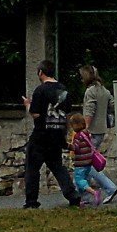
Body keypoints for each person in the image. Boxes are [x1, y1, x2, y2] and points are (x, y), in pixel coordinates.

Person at [20, 60, 80, 208]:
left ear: (41, 72)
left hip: (41, 135)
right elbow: (66, 113)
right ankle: (73, 195)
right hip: (57, 134)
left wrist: (28, 105)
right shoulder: (63, 90)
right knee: (58, 167)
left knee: (32, 169)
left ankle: (31, 201)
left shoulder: (40, 90)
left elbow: (35, 114)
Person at [69, 112, 116, 206]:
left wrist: (68, 146)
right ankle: (82, 198)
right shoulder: (87, 133)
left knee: (79, 180)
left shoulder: (78, 136)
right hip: (88, 161)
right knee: (84, 178)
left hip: (80, 163)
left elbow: (76, 148)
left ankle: (94, 192)